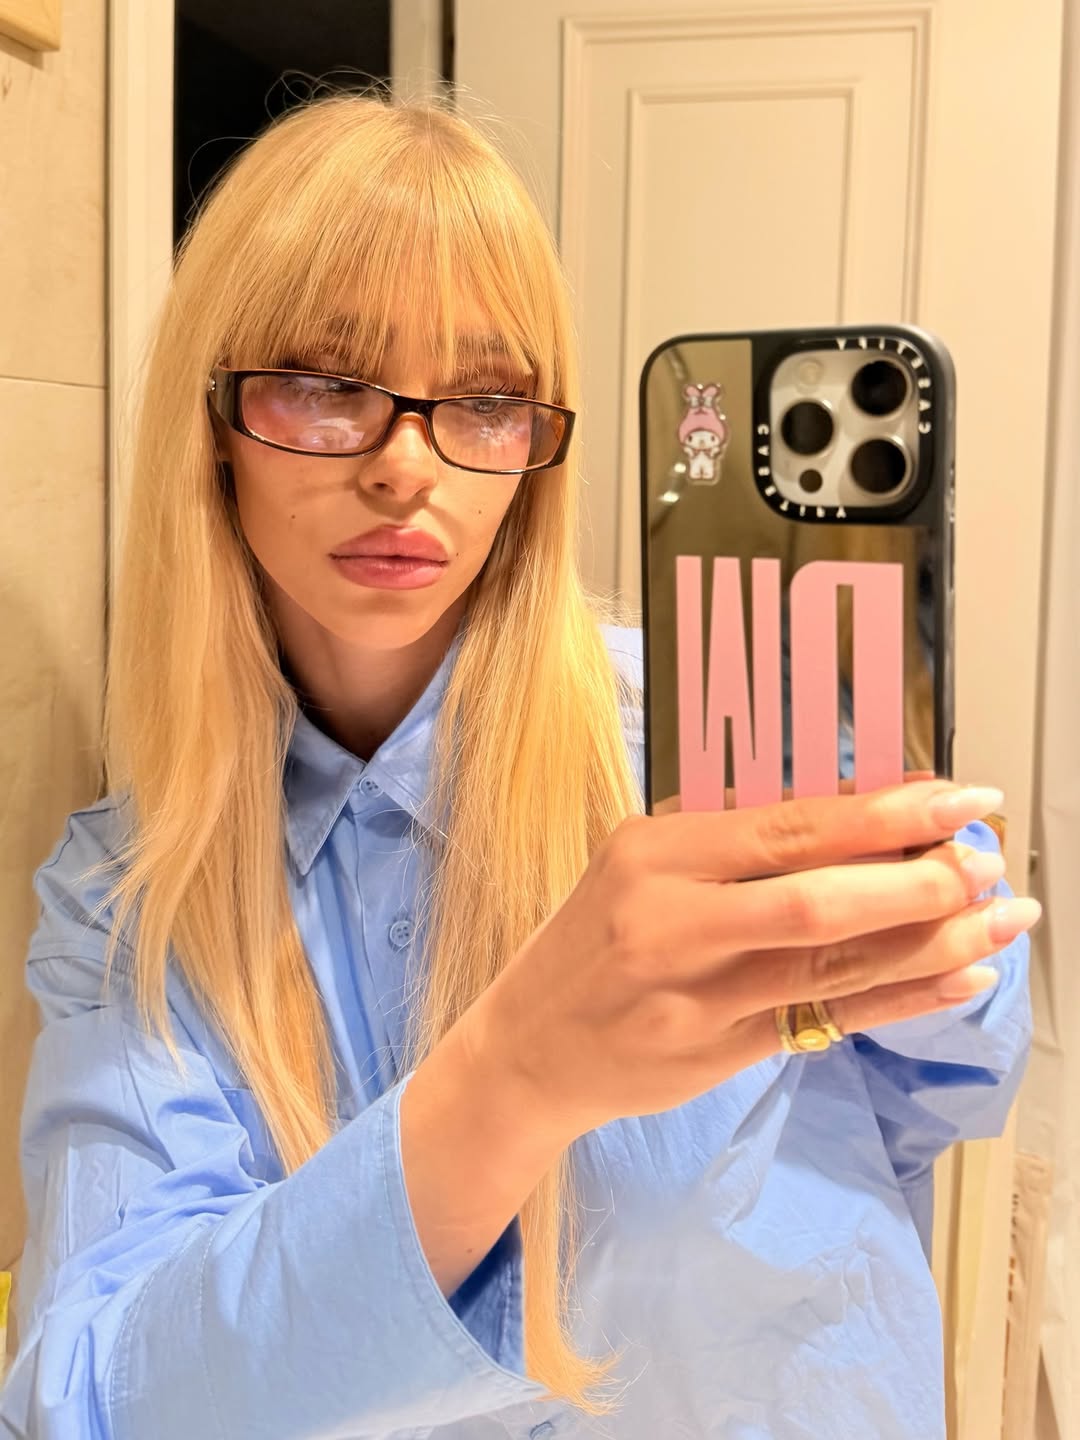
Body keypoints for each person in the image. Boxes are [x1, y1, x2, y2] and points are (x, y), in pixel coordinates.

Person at [1, 93, 1037, 1440]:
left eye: (486, 401)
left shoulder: (714, 738)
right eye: (326, 384)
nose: (405, 466)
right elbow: (90, 1400)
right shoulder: (127, 894)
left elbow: (957, 1077)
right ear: (216, 425)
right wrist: (513, 1077)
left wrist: (940, 921)